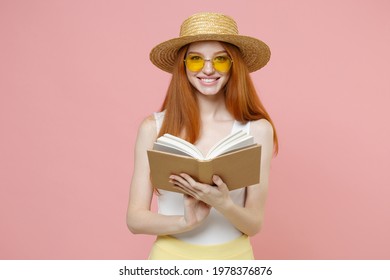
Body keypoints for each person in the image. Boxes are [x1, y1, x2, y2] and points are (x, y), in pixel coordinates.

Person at [126, 12, 278, 260]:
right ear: (183, 65)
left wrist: (223, 203)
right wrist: (185, 222)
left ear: (233, 65)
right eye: (196, 59)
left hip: (234, 260)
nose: (208, 69)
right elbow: (134, 219)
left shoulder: (257, 130)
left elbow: (254, 224)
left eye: (220, 60)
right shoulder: (153, 128)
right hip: (169, 260)